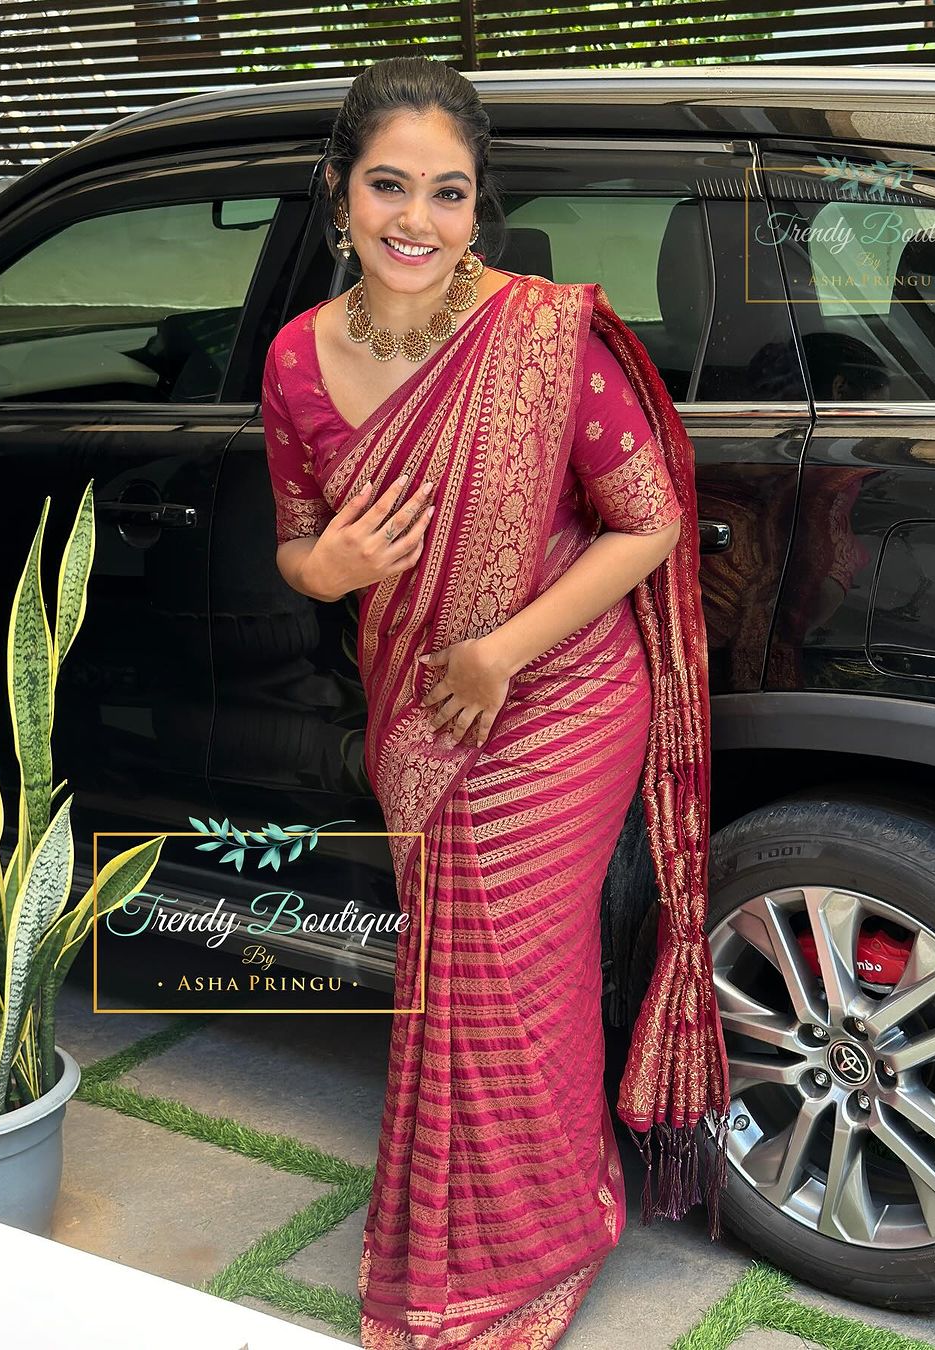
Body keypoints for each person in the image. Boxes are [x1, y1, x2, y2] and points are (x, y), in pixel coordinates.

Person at [262, 55, 729, 1350]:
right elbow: (299, 542)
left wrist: (500, 652)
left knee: (517, 969)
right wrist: (330, 567)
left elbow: (649, 524)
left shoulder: (540, 340)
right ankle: (479, 1215)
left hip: (563, 696)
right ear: (339, 192)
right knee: (451, 971)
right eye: (389, 186)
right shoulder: (300, 363)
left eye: (448, 193)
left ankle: (547, 1234)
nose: (416, 219)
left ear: (480, 208)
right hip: (421, 709)